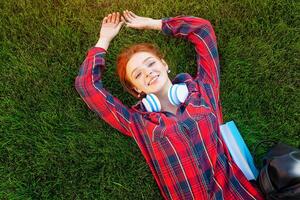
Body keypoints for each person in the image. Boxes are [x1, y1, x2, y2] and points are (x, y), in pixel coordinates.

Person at [75, 10, 264, 200]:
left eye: (151, 64)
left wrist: (154, 23)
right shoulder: (137, 122)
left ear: (164, 64)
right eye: (138, 74)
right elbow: (87, 86)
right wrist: (104, 40)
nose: (148, 73)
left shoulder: (204, 90)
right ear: (136, 88)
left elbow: (202, 30)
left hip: (237, 194)